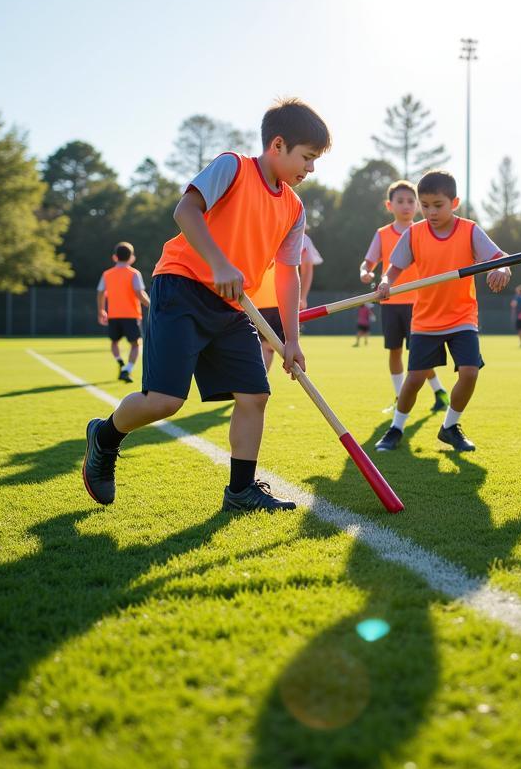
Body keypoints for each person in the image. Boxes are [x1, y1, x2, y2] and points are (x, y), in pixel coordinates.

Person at [80, 98, 332, 513]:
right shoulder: (232, 166)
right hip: (181, 288)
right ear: (278, 145)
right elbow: (186, 211)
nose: (310, 169)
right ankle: (105, 437)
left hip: (234, 307)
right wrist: (218, 263)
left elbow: (287, 274)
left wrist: (291, 339)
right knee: (165, 401)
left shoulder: (294, 207)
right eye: (307, 158)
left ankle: (241, 491)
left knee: (255, 394)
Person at [374, 170, 511, 453]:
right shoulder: (414, 233)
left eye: (438, 205)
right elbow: (395, 268)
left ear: (454, 202)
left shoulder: (470, 230)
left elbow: (500, 258)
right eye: (425, 206)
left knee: (470, 373)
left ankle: (450, 426)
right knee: (413, 381)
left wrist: (501, 268)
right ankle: (396, 428)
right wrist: (386, 282)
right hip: (426, 320)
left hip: (462, 317)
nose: (430, 212)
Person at [360, 180, 449, 412]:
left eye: (411, 201)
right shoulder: (382, 234)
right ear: (390, 205)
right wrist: (366, 272)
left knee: (420, 353)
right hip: (390, 302)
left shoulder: (423, 231)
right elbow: (368, 262)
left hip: (420, 303)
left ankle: (439, 391)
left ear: (418, 205)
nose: (406, 206)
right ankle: (400, 397)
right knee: (395, 350)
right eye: (400, 201)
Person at [255, 230, 323, 373]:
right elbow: (307, 267)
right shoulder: (301, 237)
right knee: (267, 346)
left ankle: (256, 387)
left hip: (274, 300)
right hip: (269, 300)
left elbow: (307, 266)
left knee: (267, 346)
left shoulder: (301, 238)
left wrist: (302, 297)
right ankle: (255, 386)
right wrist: (302, 297)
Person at [96, 242, 151, 382]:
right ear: (132, 258)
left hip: (113, 315)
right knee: (136, 344)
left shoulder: (107, 274)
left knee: (114, 342)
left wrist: (101, 310)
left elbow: (100, 292)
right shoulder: (134, 273)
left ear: (115, 257)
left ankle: (120, 362)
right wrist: (151, 305)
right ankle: (127, 369)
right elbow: (140, 293)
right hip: (131, 315)